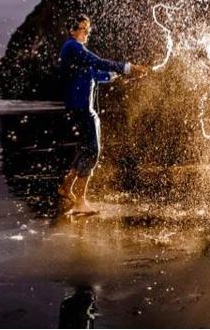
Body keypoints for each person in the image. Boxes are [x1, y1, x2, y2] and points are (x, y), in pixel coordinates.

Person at [57, 14, 148, 215]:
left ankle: (66, 188)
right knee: (92, 150)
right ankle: (80, 202)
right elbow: (96, 62)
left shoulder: (74, 50)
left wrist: (118, 75)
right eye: (83, 29)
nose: (86, 34)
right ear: (72, 30)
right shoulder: (73, 47)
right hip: (82, 108)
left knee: (84, 149)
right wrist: (128, 67)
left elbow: (93, 74)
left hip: (78, 107)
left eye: (88, 30)